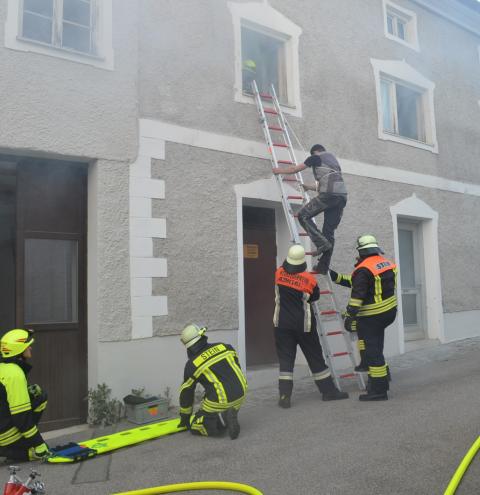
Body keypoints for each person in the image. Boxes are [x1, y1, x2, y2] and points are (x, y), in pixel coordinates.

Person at [273, 244, 349, 408]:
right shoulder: (310, 280)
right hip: (304, 326)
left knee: (286, 362)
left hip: (281, 325)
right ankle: (328, 392)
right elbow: (314, 298)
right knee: (315, 359)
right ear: (302, 262)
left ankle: (284, 396)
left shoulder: (278, 273)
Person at [330, 235, 397, 401]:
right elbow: (358, 282)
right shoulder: (385, 263)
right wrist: (335, 276)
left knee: (373, 352)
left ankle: (379, 391)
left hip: (372, 316)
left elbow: (357, 295)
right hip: (389, 312)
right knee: (376, 347)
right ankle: (382, 379)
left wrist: (350, 316)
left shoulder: (363, 269)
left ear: (361, 251)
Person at [272, 144, 347, 274]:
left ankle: (322, 244)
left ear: (314, 152)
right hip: (341, 197)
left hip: (328, 195)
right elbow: (328, 180)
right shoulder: (333, 160)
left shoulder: (315, 157)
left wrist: (279, 171)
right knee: (328, 232)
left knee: (303, 215)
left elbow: (295, 169)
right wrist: (308, 187)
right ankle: (323, 266)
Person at [178, 324, 247, 440]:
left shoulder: (192, 365)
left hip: (222, 401)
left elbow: (186, 393)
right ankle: (228, 413)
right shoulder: (225, 347)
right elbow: (235, 370)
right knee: (217, 394)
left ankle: (222, 419)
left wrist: (185, 417)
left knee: (196, 425)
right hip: (242, 393)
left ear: (189, 347)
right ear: (202, 336)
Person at [0, 329, 49, 461]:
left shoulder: (3, 367)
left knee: (35, 396)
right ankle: (24, 449)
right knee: (41, 397)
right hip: (5, 437)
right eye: (27, 345)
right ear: (19, 349)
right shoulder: (15, 374)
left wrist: (26, 391)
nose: (31, 348)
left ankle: (12, 450)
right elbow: (21, 416)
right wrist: (39, 444)